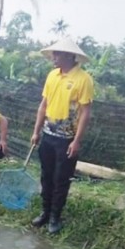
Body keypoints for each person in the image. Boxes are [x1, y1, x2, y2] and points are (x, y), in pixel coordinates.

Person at [30, 37, 94, 234]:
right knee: (46, 176)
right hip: (48, 134)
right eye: (53, 54)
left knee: (61, 178)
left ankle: (56, 217)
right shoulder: (52, 76)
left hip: (66, 139)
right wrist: (36, 131)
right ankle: (45, 212)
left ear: (68, 55)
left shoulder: (83, 79)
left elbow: (85, 112)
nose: (53, 57)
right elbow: (44, 105)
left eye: (57, 54)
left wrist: (76, 141)